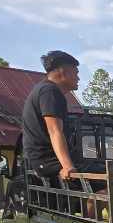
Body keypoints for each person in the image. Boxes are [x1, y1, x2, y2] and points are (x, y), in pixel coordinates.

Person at [21, 51, 98, 180]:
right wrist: (67, 166)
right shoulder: (49, 91)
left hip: (45, 159)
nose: (78, 78)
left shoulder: (44, 90)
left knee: (99, 173)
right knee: (107, 184)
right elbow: (55, 131)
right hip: (48, 160)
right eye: (76, 73)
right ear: (63, 71)